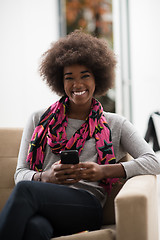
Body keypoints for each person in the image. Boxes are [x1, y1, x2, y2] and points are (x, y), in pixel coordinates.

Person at [0, 30, 160, 240]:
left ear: (98, 78)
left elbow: (154, 162)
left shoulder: (115, 123)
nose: (77, 85)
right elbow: (20, 173)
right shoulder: (37, 119)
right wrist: (45, 177)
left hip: (86, 206)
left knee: (25, 192)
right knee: (35, 228)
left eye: (85, 76)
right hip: (45, 201)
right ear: (59, 81)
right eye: (69, 78)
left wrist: (103, 171)